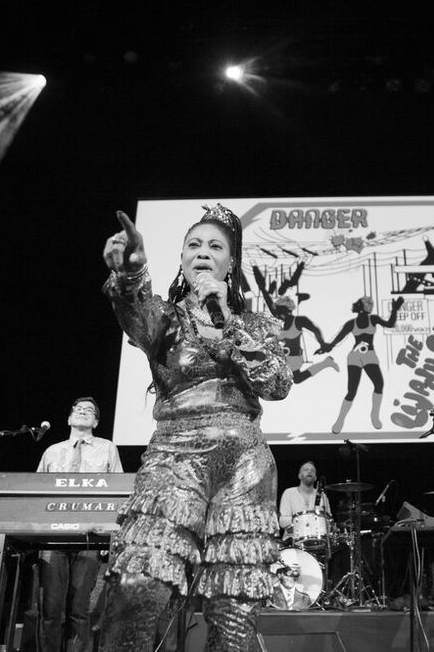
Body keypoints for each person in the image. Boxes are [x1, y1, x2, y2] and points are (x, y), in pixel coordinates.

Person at [99, 205, 292, 651]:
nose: (202, 253)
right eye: (193, 244)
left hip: (244, 468)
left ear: (231, 263)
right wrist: (132, 275)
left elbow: (277, 384)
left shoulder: (255, 324)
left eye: (215, 246)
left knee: (233, 615)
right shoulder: (164, 319)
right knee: (136, 585)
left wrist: (228, 322)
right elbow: (134, 311)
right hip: (175, 458)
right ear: (183, 259)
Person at [36, 396, 124, 652]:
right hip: (53, 538)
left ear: (95, 421)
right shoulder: (52, 451)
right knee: (51, 608)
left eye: (90, 411)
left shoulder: (108, 448)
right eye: (79, 409)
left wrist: (110, 534)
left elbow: (117, 492)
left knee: (80, 609)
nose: (84, 412)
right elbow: (36, 492)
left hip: (89, 536)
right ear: (69, 418)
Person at [318, 294, 405, 434]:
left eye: (358, 303)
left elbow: (389, 324)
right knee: (352, 390)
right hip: (355, 357)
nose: (355, 305)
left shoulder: (373, 319)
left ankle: (374, 415)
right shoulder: (351, 323)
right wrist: (325, 348)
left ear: (363, 307)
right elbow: (337, 340)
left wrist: (395, 309)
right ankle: (340, 420)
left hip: (370, 355)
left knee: (379, 384)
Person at [278, 461, 331, 544]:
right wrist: (301, 520)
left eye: (312, 471)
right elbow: (282, 521)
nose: (309, 471)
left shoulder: (322, 496)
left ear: (315, 477)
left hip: (318, 542)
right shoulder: (289, 493)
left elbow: (328, 520)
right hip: (292, 542)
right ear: (299, 476)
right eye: (306, 470)